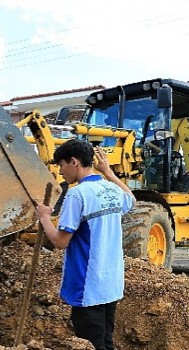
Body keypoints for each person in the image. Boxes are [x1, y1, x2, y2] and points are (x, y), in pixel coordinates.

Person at [35, 139, 136, 350]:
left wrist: (44, 217)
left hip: (88, 285)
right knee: (105, 341)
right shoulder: (111, 189)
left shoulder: (77, 194)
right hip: (111, 284)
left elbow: (61, 242)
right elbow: (131, 200)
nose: (61, 172)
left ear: (74, 162)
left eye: (61, 165)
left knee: (90, 344)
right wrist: (108, 173)